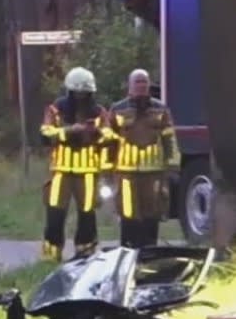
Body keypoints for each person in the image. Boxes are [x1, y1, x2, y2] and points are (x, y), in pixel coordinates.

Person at [39, 67, 108, 261]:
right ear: (70, 92)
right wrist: (69, 131)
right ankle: (51, 254)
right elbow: (45, 132)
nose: (80, 97)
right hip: (61, 170)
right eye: (77, 93)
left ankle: (85, 253)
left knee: (87, 214)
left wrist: (96, 133)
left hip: (88, 171)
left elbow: (110, 135)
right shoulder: (56, 109)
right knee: (55, 212)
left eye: (85, 94)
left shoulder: (99, 112)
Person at [104, 68, 179, 248]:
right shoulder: (117, 109)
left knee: (151, 215)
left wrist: (173, 167)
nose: (141, 86)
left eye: (144, 82)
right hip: (126, 174)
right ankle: (127, 251)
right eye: (137, 82)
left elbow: (170, 138)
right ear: (130, 86)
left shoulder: (160, 109)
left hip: (154, 173)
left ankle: (150, 252)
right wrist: (106, 170)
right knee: (128, 214)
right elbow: (108, 141)